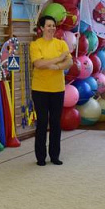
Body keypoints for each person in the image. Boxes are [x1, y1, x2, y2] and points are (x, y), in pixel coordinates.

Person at [30, 15, 72, 166]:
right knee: (42, 123)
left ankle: (55, 156)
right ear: (42, 28)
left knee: (55, 123)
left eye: (53, 25)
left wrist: (58, 66)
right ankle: (40, 157)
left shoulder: (61, 44)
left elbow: (69, 61)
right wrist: (58, 58)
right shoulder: (36, 45)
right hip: (40, 89)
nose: (52, 28)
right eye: (48, 26)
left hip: (57, 89)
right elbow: (38, 64)